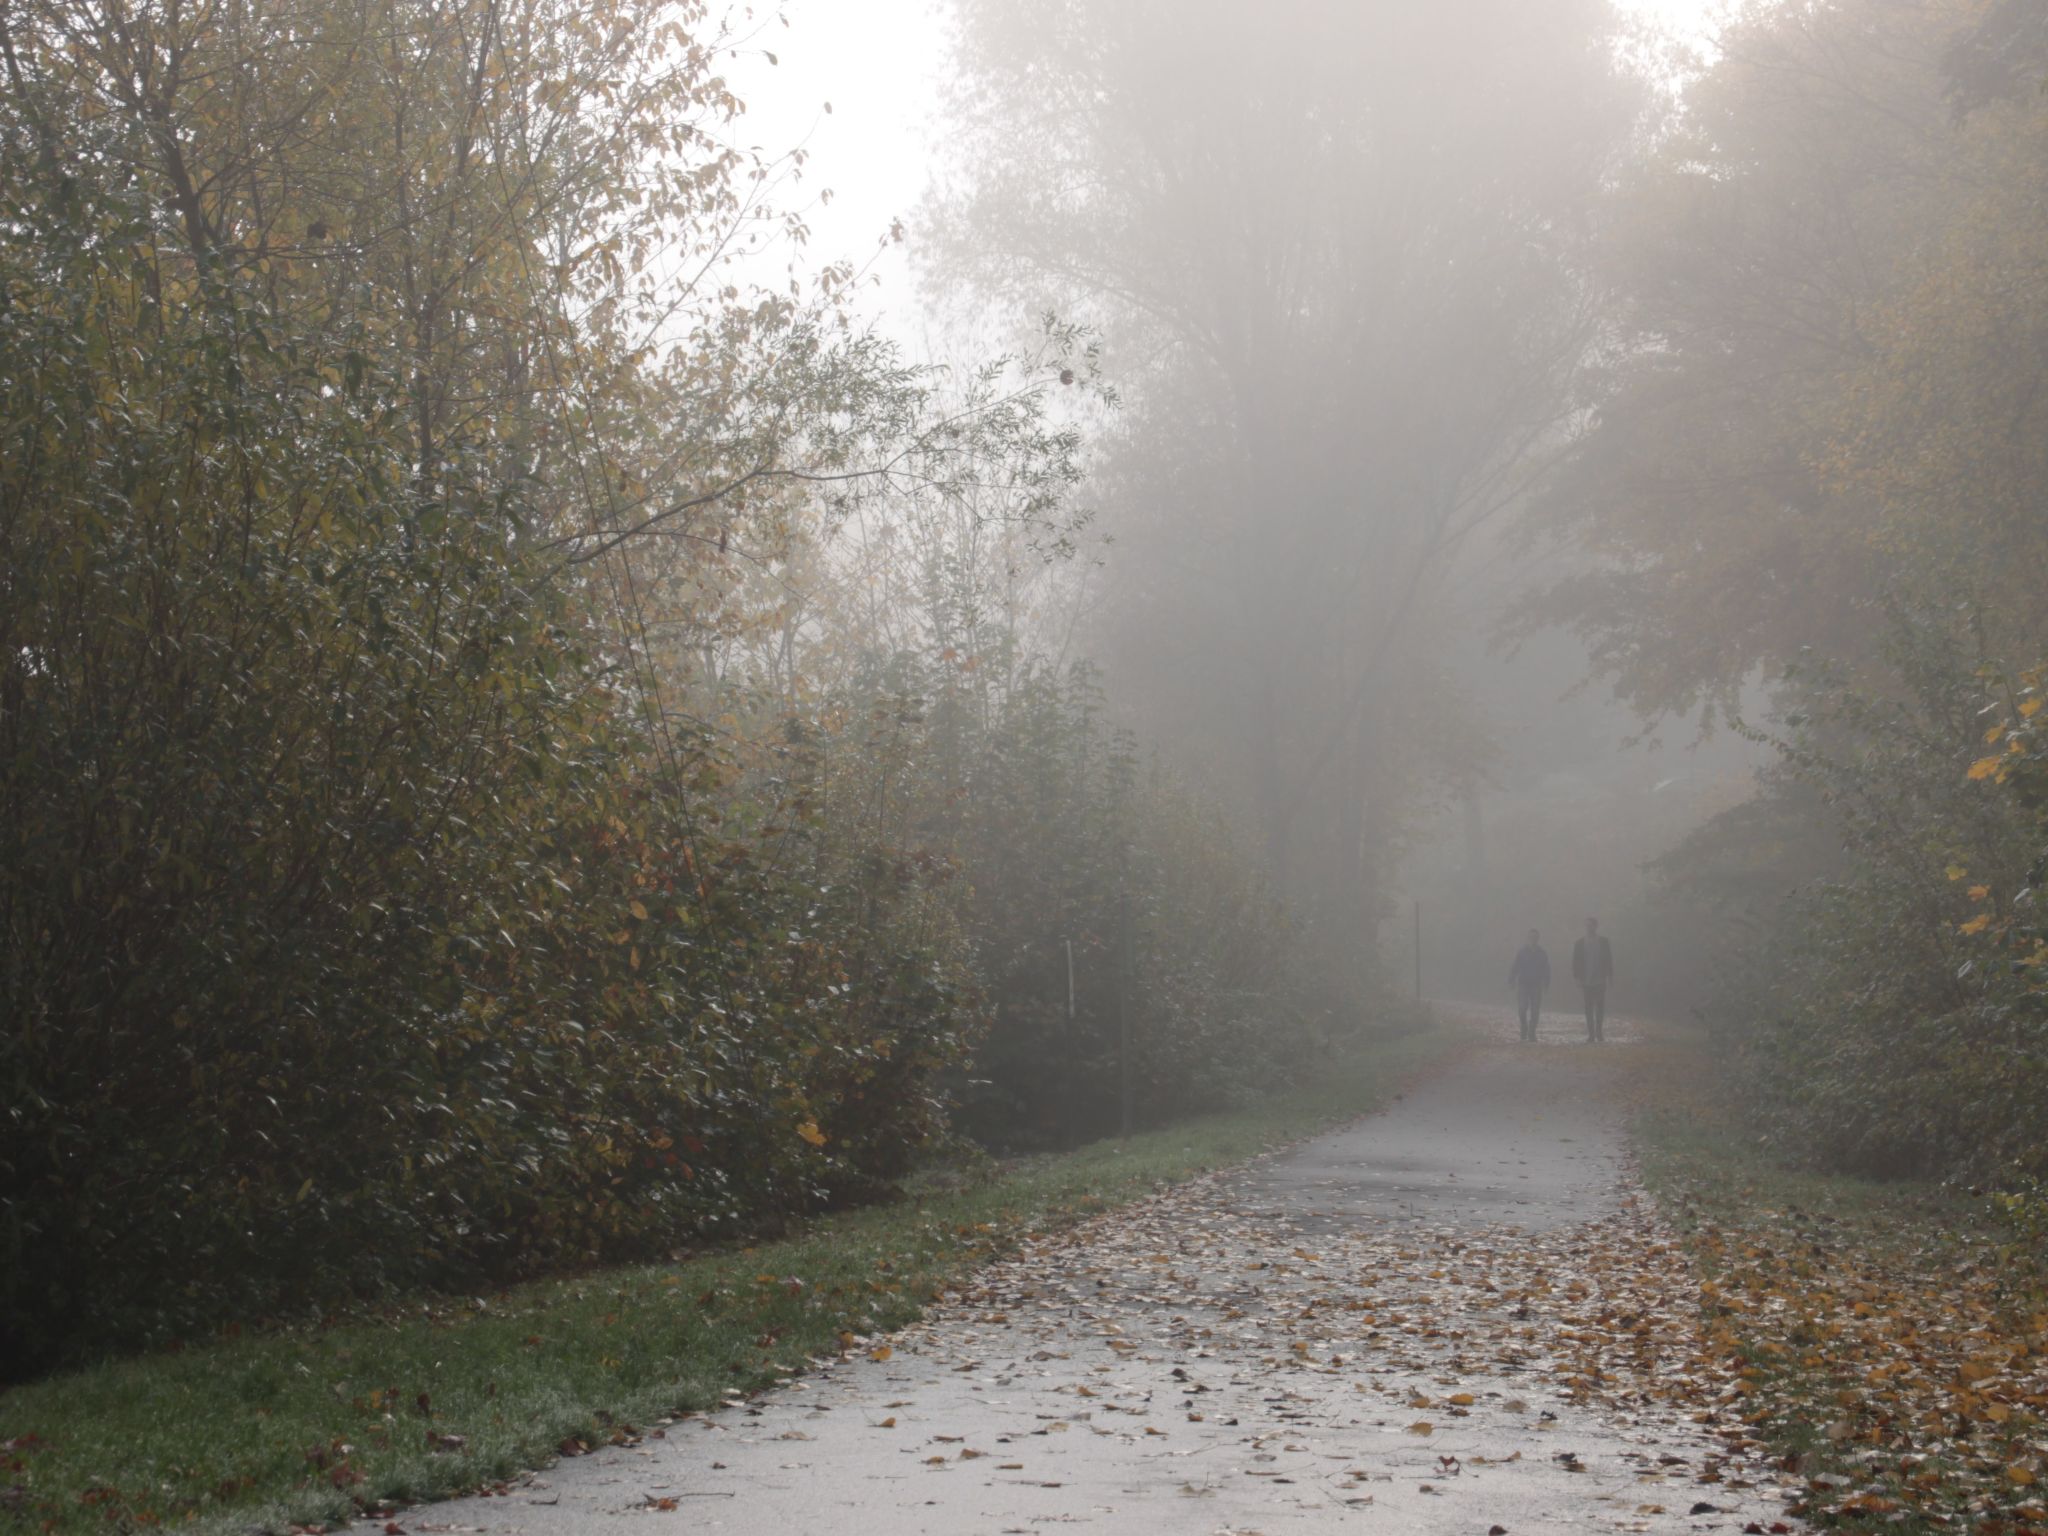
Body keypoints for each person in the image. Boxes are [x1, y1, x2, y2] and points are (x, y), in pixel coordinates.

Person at [1572, 917, 1615, 1042]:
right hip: (1586, 980)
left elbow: (1609, 959)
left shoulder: (1603, 941)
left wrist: (1610, 976)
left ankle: (1599, 1032)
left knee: (1600, 1006)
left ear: (1596, 926)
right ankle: (1591, 1034)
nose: (1588, 928)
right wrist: (1577, 978)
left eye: (1590, 925)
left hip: (1600, 979)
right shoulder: (1579, 943)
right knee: (1588, 1007)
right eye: (1586, 926)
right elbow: (1575, 962)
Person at [1508, 928, 1550, 1043]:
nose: (1533, 939)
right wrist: (1511, 980)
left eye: (1535, 937)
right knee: (1522, 1008)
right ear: (1528, 938)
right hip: (1523, 984)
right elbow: (1515, 966)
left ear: (1538, 938)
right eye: (1531, 937)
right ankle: (1524, 1027)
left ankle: (1531, 1033)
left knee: (1535, 1010)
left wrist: (1546, 983)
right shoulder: (1522, 952)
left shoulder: (1542, 953)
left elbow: (1546, 969)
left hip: (1536, 985)